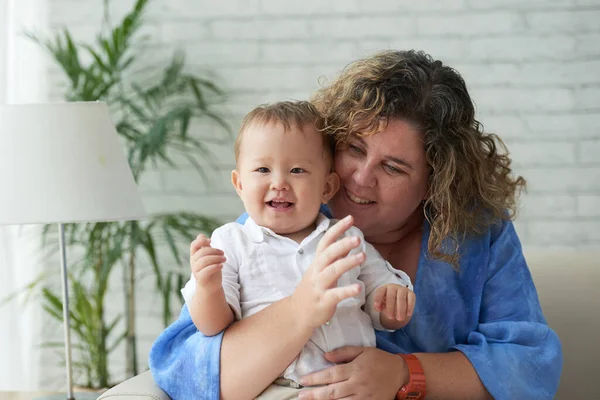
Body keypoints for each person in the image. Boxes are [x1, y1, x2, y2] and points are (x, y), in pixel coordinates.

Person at [149, 50, 563, 400]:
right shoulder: (274, 228)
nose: (360, 178)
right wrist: (298, 311)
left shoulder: (476, 232)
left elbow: (531, 365)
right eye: (354, 149)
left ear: (436, 182)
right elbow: (190, 370)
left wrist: (405, 374)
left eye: (394, 167)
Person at [181, 101, 415, 396]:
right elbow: (213, 326)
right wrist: (208, 287)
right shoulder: (230, 242)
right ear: (239, 184)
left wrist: (391, 301)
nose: (279, 183)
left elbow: (380, 299)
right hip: (276, 387)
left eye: (297, 170)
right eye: (263, 169)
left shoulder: (345, 236)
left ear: (327, 187)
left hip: (353, 385)